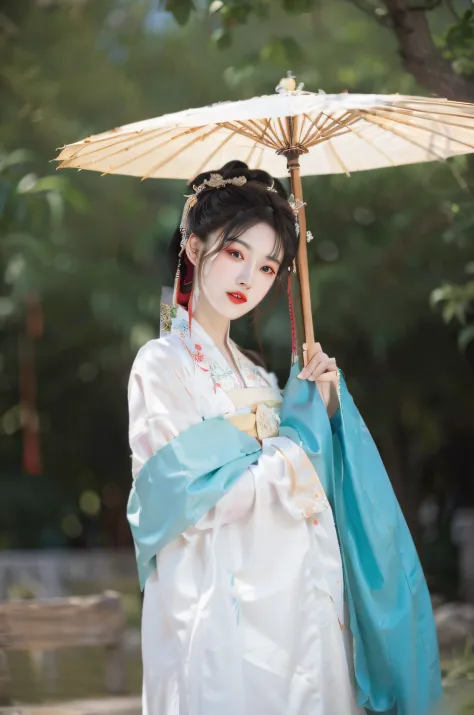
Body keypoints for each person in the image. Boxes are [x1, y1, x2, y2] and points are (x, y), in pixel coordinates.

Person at [127, 162, 441, 715]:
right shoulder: (160, 366)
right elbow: (194, 502)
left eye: (269, 266)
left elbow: (307, 486)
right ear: (195, 248)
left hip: (297, 606)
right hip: (217, 607)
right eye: (236, 253)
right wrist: (300, 439)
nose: (250, 278)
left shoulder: (259, 377)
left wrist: (324, 407)